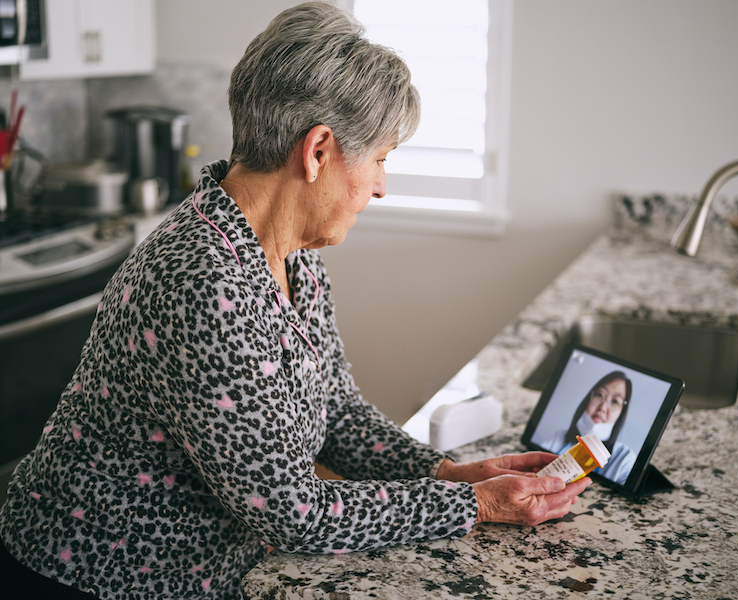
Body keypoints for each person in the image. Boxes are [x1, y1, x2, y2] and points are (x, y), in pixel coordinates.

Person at [0, 2, 591, 599]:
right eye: (381, 159)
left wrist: (443, 471)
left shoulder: (293, 255)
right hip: (87, 576)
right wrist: (475, 503)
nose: (382, 185)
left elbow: (336, 410)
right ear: (318, 152)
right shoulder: (202, 283)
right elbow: (291, 510)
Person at [539, 371, 636, 484]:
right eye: (599, 395)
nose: (602, 408)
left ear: (621, 413)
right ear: (588, 398)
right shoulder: (559, 438)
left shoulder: (625, 459)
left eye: (615, 401)